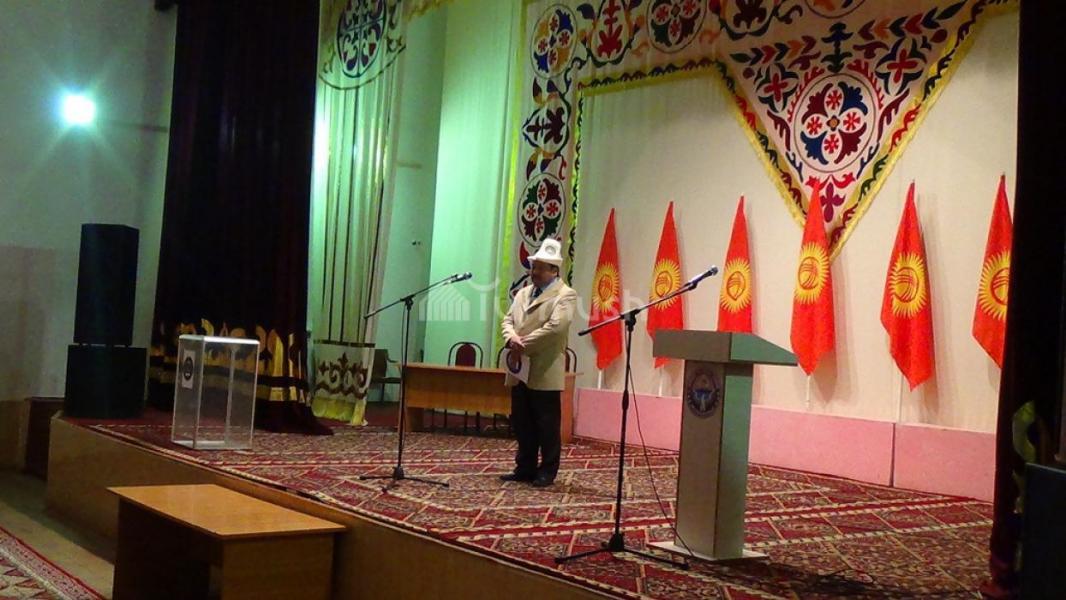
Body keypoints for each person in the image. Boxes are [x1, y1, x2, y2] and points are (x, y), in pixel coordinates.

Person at [500, 238, 577, 487]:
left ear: (554, 270)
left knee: (547, 424)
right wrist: (511, 338)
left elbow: (556, 328)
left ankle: (547, 470)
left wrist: (522, 344)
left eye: (541, 268)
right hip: (519, 368)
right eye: (534, 267)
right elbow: (507, 320)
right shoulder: (523, 293)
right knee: (522, 421)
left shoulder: (566, 295)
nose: (534, 272)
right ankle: (524, 467)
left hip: (544, 368)